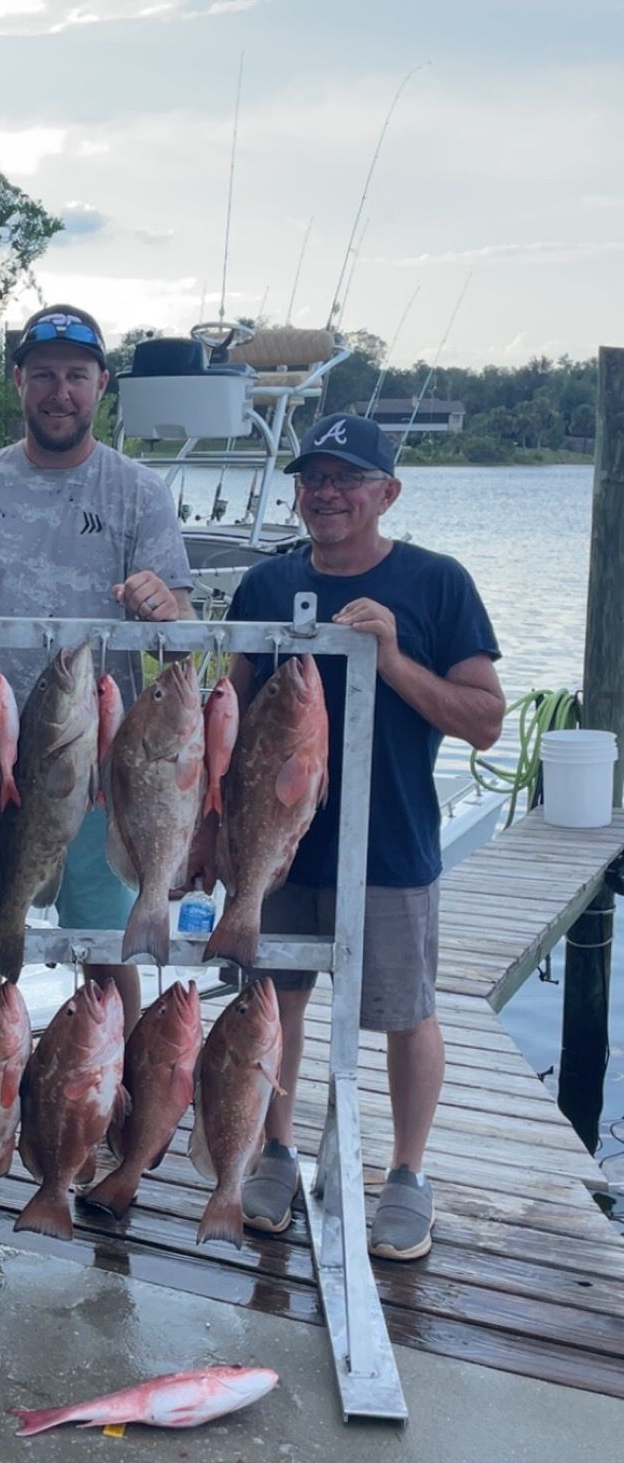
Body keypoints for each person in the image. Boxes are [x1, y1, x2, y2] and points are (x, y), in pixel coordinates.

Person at [226, 412, 505, 1261]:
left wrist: (390, 661)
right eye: (313, 478)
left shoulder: (438, 582)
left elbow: (486, 721)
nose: (328, 493)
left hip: (392, 842)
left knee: (406, 1013)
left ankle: (407, 1174)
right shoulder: (264, 586)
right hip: (277, 848)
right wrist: (211, 837)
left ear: (388, 492)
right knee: (277, 1000)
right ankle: (273, 1150)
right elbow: (229, 715)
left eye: (348, 478)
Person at [0, 302, 195, 1049]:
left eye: (76, 377)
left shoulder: (138, 491)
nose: (60, 392)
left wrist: (162, 604)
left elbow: (180, 625)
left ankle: (118, 1087)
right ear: (18, 382)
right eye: (44, 375)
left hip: (99, 772)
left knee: (105, 944)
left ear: (102, 385)